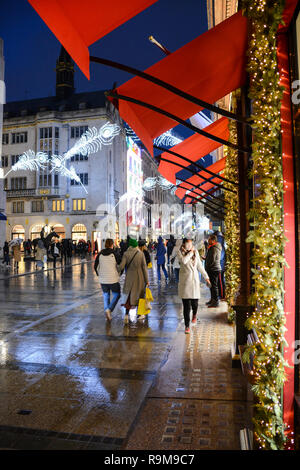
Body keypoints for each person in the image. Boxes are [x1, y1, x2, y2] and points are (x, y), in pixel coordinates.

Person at [177, 238, 211, 334]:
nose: (189, 245)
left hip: (194, 281)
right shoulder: (179, 252)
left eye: (191, 243)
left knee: (195, 304)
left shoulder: (195, 252)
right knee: (186, 306)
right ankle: (187, 326)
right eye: (188, 243)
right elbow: (183, 261)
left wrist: (206, 277)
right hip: (185, 283)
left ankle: (194, 315)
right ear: (184, 244)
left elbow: (199, 266)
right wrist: (191, 253)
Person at [118, 238, 149, 324]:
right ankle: (140, 314)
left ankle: (126, 315)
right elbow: (144, 268)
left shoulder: (126, 254)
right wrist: (147, 280)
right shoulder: (141, 254)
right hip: (139, 278)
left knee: (128, 296)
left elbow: (121, 267)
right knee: (139, 296)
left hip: (129, 277)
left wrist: (116, 267)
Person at [94, 238, 121, 321]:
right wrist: (119, 274)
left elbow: (95, 266)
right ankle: (109, 309)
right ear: (112, 245)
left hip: (103, 279)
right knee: (117, 294)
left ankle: (107, 310)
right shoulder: (115, 253)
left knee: (106, 295)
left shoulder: (100, 254)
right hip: (113, 279)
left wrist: (99, 274)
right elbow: (120, 265)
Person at [205, 234, 222, 307]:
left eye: (209, 239)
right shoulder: (212, 247)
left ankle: (215, 302)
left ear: (213, 240)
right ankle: (212, 299)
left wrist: (208, 266)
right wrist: (206, 259)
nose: (208, 240)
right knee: (212, 286)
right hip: (212, 268)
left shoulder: (214, 248)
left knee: (214, 286)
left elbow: (213, 259)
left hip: (214, 269)